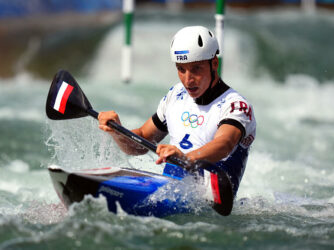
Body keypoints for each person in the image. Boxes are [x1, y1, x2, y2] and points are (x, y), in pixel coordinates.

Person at [98, 26, 256, 198]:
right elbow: (142, 140)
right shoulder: (176, 95)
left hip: (210, 202)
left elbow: (224, 144)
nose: (188, 80)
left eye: (196, 69)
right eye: (181, 69)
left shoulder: (236, 105)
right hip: (170, 190)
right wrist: (117, 131)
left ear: (214, 64)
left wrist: (186, 158)